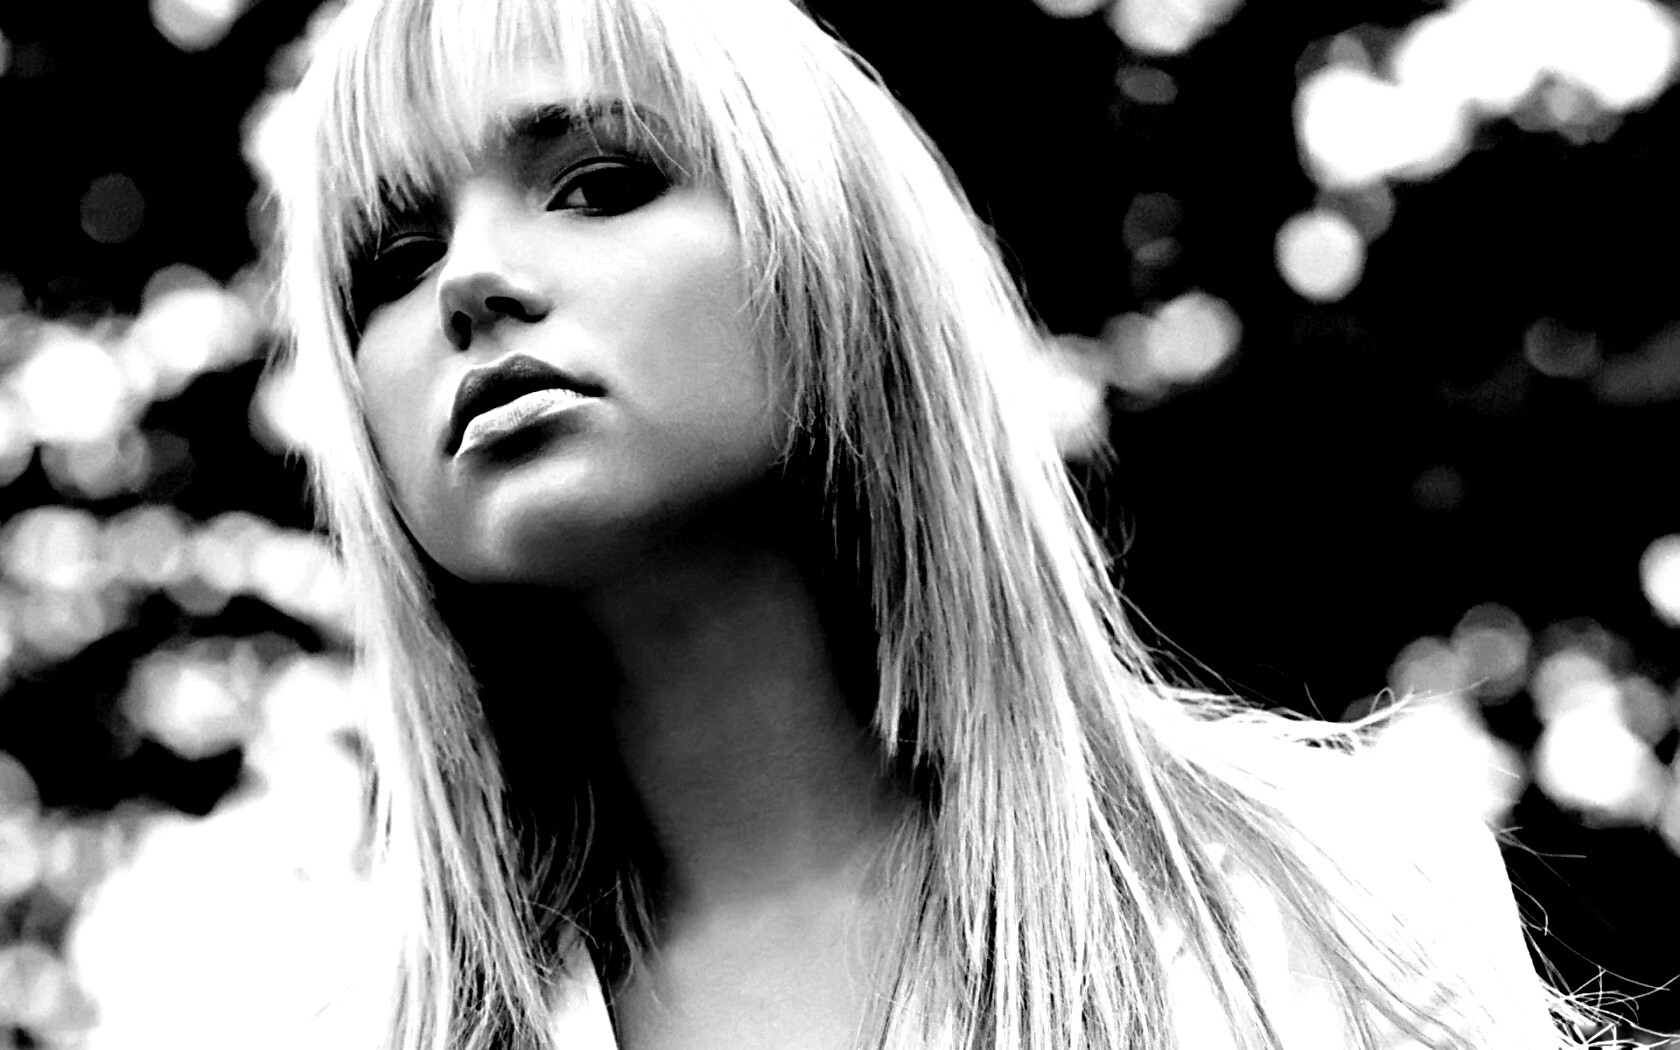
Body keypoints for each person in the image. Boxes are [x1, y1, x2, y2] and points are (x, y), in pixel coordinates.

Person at [264, 0, 1599, 1046]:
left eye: (599, 182)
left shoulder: (1320, 898)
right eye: (396, 261)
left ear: (836, 260)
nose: (471, 280)